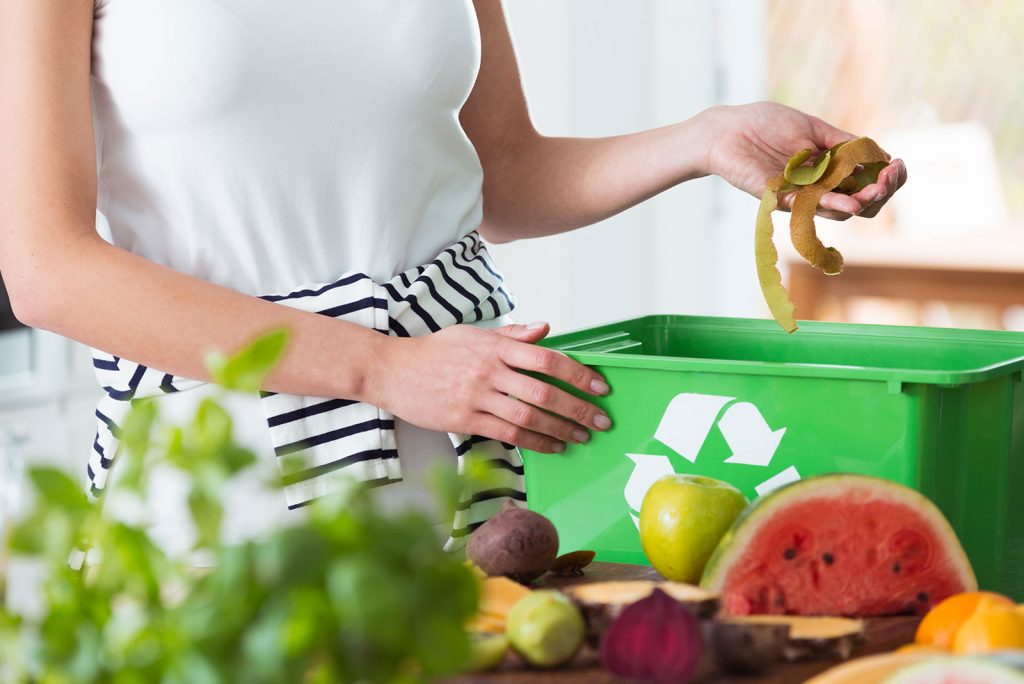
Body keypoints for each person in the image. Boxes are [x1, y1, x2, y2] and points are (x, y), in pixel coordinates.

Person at [0, 0, 906, 555]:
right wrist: (382, 369)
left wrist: (702, 140)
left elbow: (502, 175)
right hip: (222, 476)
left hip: (470, 472)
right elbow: (48, 268)